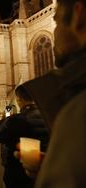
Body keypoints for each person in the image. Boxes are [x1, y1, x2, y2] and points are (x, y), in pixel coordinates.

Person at [17, 0, 86, 187]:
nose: (54, 32)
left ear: (78, 15)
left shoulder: (77, 108)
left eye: (55, 19)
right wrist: (52, 165)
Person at [0, 85, 49, 188]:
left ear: (19, 99)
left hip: (18, 172)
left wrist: (6, 118)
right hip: (45, 171)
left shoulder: (15, 120)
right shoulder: (49, 117)